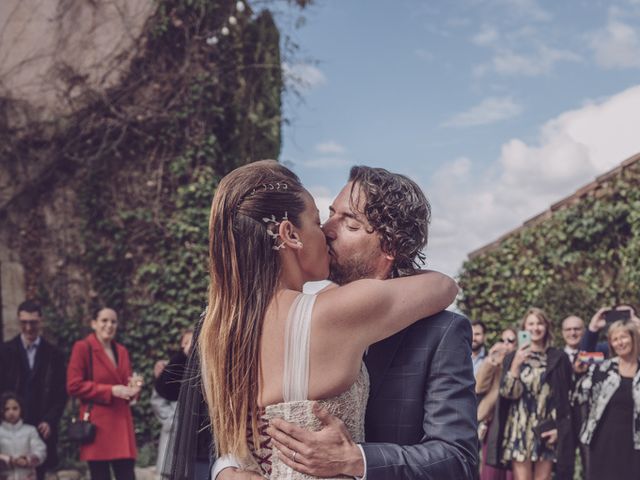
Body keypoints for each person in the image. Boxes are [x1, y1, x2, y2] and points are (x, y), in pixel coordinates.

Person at [212, 162, 478, 479]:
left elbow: (458, 460)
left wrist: (358, 460)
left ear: (390, 245)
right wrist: (227, 467)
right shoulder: (292, 314)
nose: (326, 230)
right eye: (328, 215)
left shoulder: (442, 332)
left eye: (349, 223)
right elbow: (234, 430)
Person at [495, 308, 573, 480]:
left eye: (540, 323)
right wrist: (516, 364)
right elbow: (508, 393)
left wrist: (560, 428)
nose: (535, 328)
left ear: (546, 327)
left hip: (546, 427)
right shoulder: (513, 357)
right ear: (524, 328)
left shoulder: (558, 357)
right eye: (531, 323)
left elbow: (565, 396)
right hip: (520, 427)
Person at [66, 307, 141, 480]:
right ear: (94, 324)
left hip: (122, 424)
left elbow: (126, 384)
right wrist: (110, 390)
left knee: (127, 475)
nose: (109, 325)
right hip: (98, 426)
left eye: (113, 321)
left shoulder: (121, 351)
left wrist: (133, 391)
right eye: (104, 321)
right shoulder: (83, 348)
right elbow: (73, 386)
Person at [0, 301, 67, 480]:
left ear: (41, 321)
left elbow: (61, 393)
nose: (29, 328)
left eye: (33, 322)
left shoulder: (55, 354)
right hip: (10, 425)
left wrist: (50, 420)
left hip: (41, 425)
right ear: (18, 321)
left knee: (39, 473)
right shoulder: (5, 352)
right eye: (24, 322)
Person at [573, 319, 640, 480]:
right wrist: (579, 373)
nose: (619, 343)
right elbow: (579, 395)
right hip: (604, 440)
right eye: (614, 339)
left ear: (633, 338)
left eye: (623, 337)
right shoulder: (601, 368)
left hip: (634, 443)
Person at [152, 329, 194, 479]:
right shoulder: (172, 367)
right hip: (174, 434)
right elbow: (159, 396)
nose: (190, 346)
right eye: (186, 342)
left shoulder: (203, 367)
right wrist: (171, 420)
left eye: (194, 342)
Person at [476, 327, 517, 480]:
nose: (506, 345)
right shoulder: (496, 363)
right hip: (494, 423)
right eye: (503, 340)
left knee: (511, 474)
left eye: (511, 341)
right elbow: (479, 387)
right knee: (491, 473)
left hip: (514, 425)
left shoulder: (520, 364)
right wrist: (491, 361)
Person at [560, 315, 588, 478]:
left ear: (584, 331)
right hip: (564, 420)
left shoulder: (597, 355)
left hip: (587, 418)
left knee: (590, 466)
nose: (573, 333)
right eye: (568, 329)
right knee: (563, 469)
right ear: (563, 333)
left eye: (577, 329)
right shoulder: (555, 357)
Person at [0, 392, 47, 480]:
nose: (11, 412)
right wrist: (9, 460)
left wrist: (27, 460)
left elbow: (40, 450)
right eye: (7, 409)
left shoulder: (30, 430)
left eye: (15, 408)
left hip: (27, 476)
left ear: (21, 409)